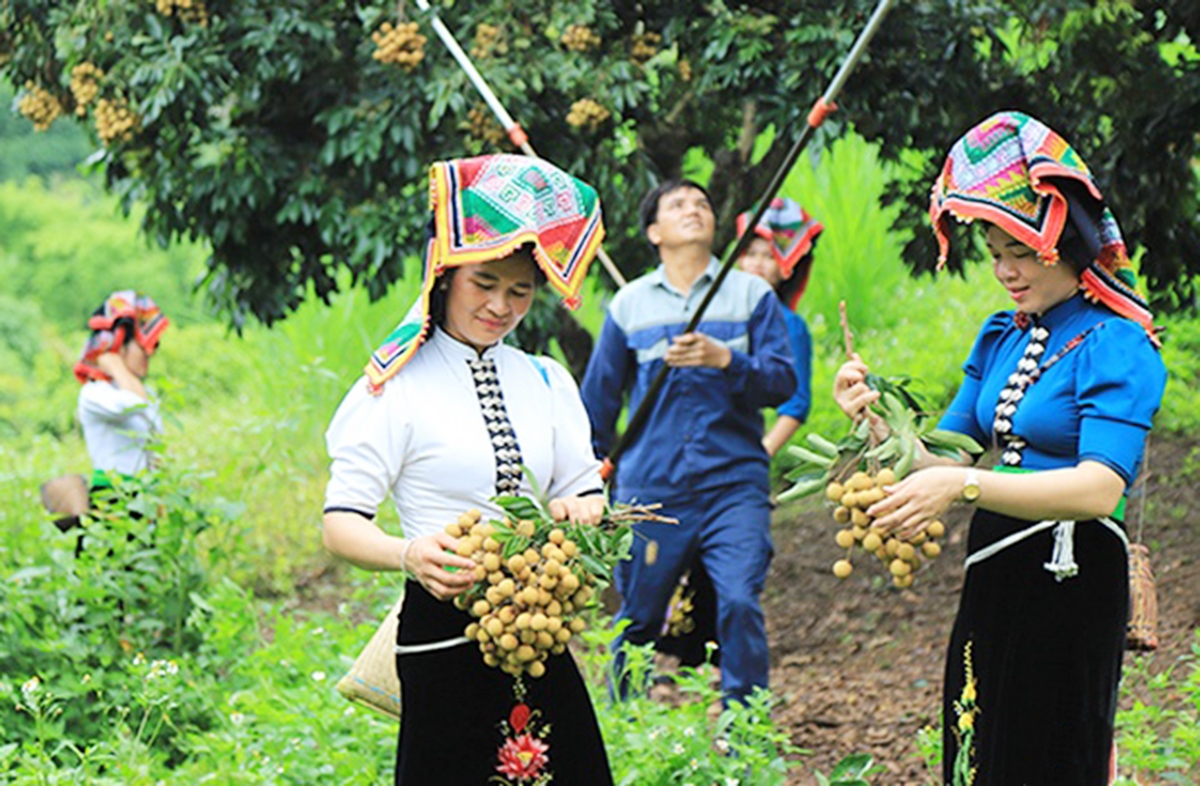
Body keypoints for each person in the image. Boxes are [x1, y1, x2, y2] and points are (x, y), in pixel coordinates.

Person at [832, 111, 1166, 784]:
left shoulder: (1117, 344)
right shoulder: (1000, 336)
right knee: (979, 746)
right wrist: (873, 421)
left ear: (1067, 246)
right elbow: (942, 459)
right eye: (994, 256)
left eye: (1021, 253)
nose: (1005, 273)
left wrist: (963, 487)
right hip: (996, 568)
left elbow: (1101, 488)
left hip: (1072, 577)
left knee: (1049, 751)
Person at [322, 155, 614, 785]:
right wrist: (410, 555)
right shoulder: (392, 389)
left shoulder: (547, 379)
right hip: (441, 630)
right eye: (484, 283)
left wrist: (585, 507)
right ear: (445, 273)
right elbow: (341, 523)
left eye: (519, 291)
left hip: (537, 626)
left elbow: (580, 484)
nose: (500, 306)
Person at [580, 178, 797, 705]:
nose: (694, 210)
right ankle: (623, 731)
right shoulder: (629, 305)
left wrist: (727, 360)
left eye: (702, 202)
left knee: (740, 601)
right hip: (651, 491)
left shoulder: (751, 295)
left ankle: (745, 731)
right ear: (654, 231)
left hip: (734, 486)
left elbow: (783, 382)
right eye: (677, 205)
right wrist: (586, 482)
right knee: (640, 614)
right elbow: (598, 405)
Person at [657, 196, 822, 671]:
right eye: (748, 253)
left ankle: (711, 666)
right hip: (680, 462)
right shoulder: (712, 311)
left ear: (787, 268)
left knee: (726, 573)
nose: (754, 264)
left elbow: (795, 404)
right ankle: (673, 659)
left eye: (768, 256)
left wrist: (758, 455)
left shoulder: (787, 325)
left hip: (737, 465)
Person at [75, 291, 169, 494]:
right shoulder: (94, 394)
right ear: (119, 347)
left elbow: (155, 452)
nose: (148, 354)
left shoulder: (147, 393)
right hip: (113, 496)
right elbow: (134, 403)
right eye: (141, 346)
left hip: (146, 498)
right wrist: (115, 365)